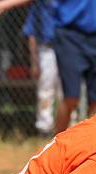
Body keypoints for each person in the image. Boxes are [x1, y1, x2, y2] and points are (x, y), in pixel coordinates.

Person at [0, 0, 96, 134]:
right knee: (70, 98)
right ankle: (57, 146)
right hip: (69, 37)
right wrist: (2, 5)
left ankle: (89, 147)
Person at [22, 0, 65, 137]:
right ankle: (44, 129)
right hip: (47, 50)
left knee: (67, 91)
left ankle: (70, 128)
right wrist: (34, 62)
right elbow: (31, 34)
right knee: (45, 89)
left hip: (68, 48)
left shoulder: (70, 4)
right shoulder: (40, 4)